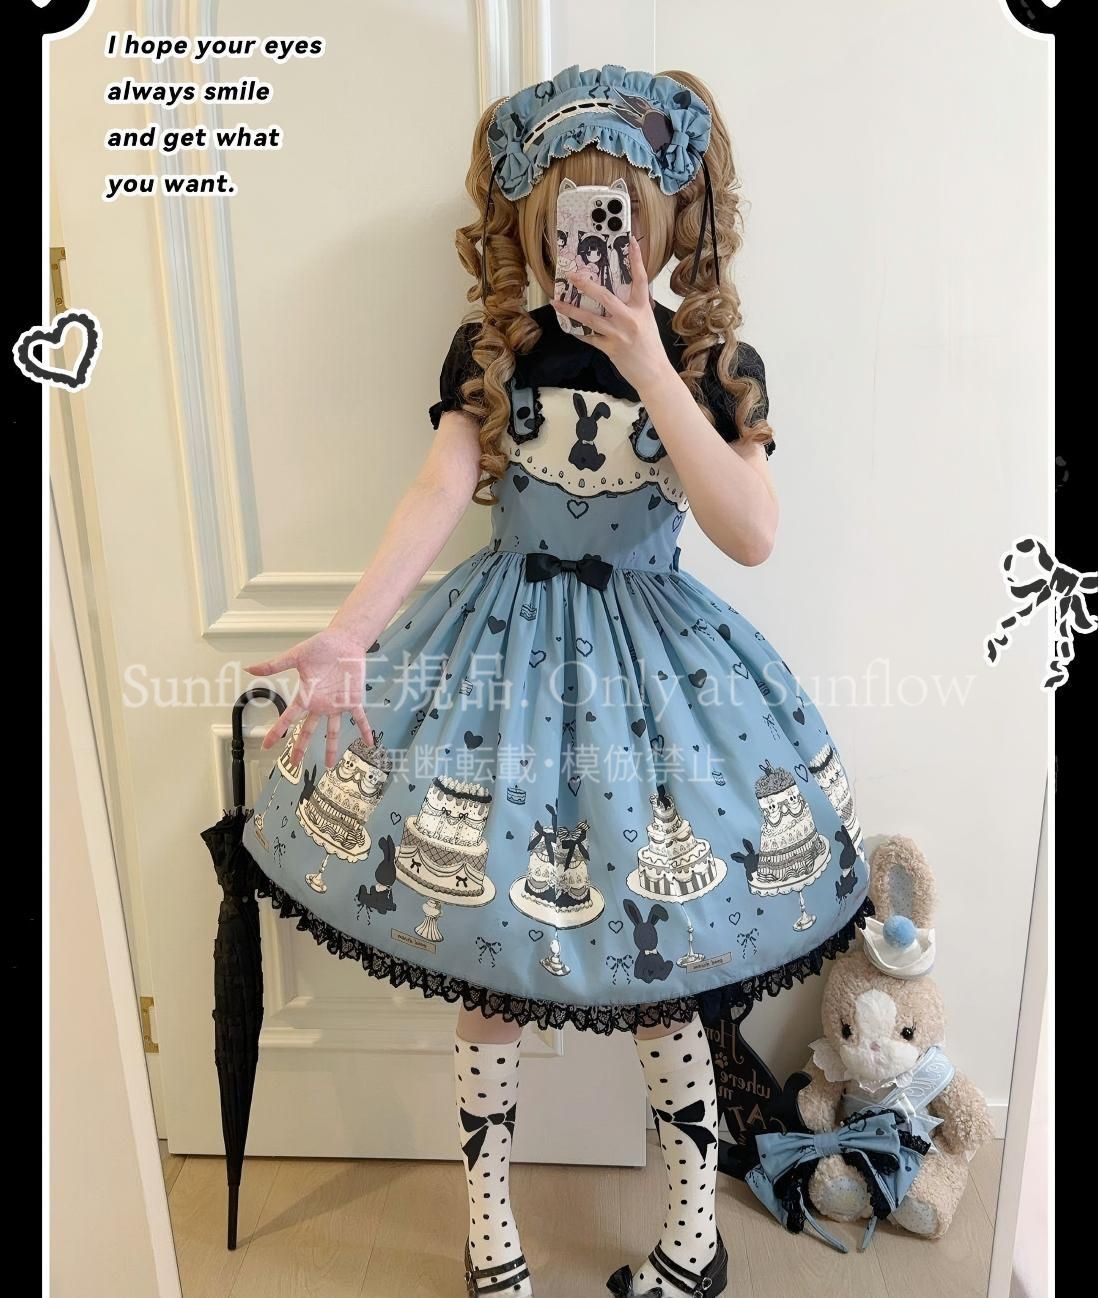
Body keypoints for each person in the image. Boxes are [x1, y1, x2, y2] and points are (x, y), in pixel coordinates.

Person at [243, 63, 871, 1298]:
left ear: (668, 219)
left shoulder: (711, 359)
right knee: (489, 947)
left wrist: (650, 359)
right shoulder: (499, 350)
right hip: (503, 665)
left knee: (662, 967)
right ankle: (489, 1225)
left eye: (618, 213)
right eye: (569, 214)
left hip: (654, 684)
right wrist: (353, 628)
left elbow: (749, 530)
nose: (594, 239)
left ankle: (694, 1233)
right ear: (530, 220)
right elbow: (439, 488)